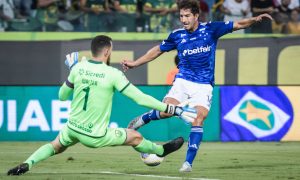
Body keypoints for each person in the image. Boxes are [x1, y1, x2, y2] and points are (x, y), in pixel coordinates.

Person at [7, 35, 198, 176]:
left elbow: (62, 96)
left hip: (73, 127)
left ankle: (27, 163)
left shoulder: (78, 68)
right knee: (135, 136)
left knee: (55, 145)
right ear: (107, 51)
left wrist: (72, 74)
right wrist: (173, 109)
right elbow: (140, 98)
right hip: (95, 135)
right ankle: (161, 151)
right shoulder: (112, 74)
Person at [121, 0, 273, 172]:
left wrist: (256, 19)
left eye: (187, 16)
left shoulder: (211, 29)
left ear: (196, 16)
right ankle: (139, 121)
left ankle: (188, 163)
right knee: (165, 112)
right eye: (181, 16)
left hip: (204, 85)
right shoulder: (177, 35)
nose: (184, 20)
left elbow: (238, 24)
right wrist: (135, 63)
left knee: (198, 118)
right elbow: (157, 51)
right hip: (183, 82)